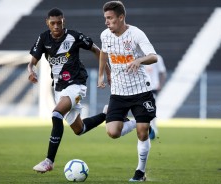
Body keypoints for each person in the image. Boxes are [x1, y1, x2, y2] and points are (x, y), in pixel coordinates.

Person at [28, 8, 110, 173]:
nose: (56, 26)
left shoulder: (74, 36)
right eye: (53, 23)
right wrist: (31, 70)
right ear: (47, 23)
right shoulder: (43, 38)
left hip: (76, 85)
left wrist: (107, 73)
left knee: (56, 114)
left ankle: (49, 161)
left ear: (63, 21)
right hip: (58, 88)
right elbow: (32, 62)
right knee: (79, 129)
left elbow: (97, 50)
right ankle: (108, 114)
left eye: (59, 22)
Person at [98, 1, 158, 182]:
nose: (107, 22)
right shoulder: (105, 35)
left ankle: (140, 172)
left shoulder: (136, 34)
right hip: (118, 92)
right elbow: (103, 53)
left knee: (142, 133)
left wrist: (139, 61)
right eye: (105, 18)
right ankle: (139, 122)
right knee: (113, 132)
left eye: (110, 18)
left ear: (121, 17)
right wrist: (101, 74)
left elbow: (153, 56)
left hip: (141, 90)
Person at [145, 54, 167, 135]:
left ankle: (153, 128)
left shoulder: (158, 58)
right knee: (144, 109)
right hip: (141, 88)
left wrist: (160, 85)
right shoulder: (139, 57)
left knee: (151, 109)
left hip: (153, 87)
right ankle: (148, 127)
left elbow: (163, 72)